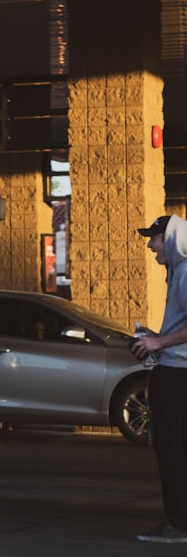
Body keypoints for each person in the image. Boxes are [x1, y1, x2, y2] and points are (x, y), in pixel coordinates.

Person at [133, 214, 187, 543]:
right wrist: (157, 334)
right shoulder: (179, 271)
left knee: (170, 448)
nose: (151, 245)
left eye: (155, 238)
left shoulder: (184, 270)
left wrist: (160, 342)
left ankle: (178, 524)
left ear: (172, 239)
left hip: (177, 374)